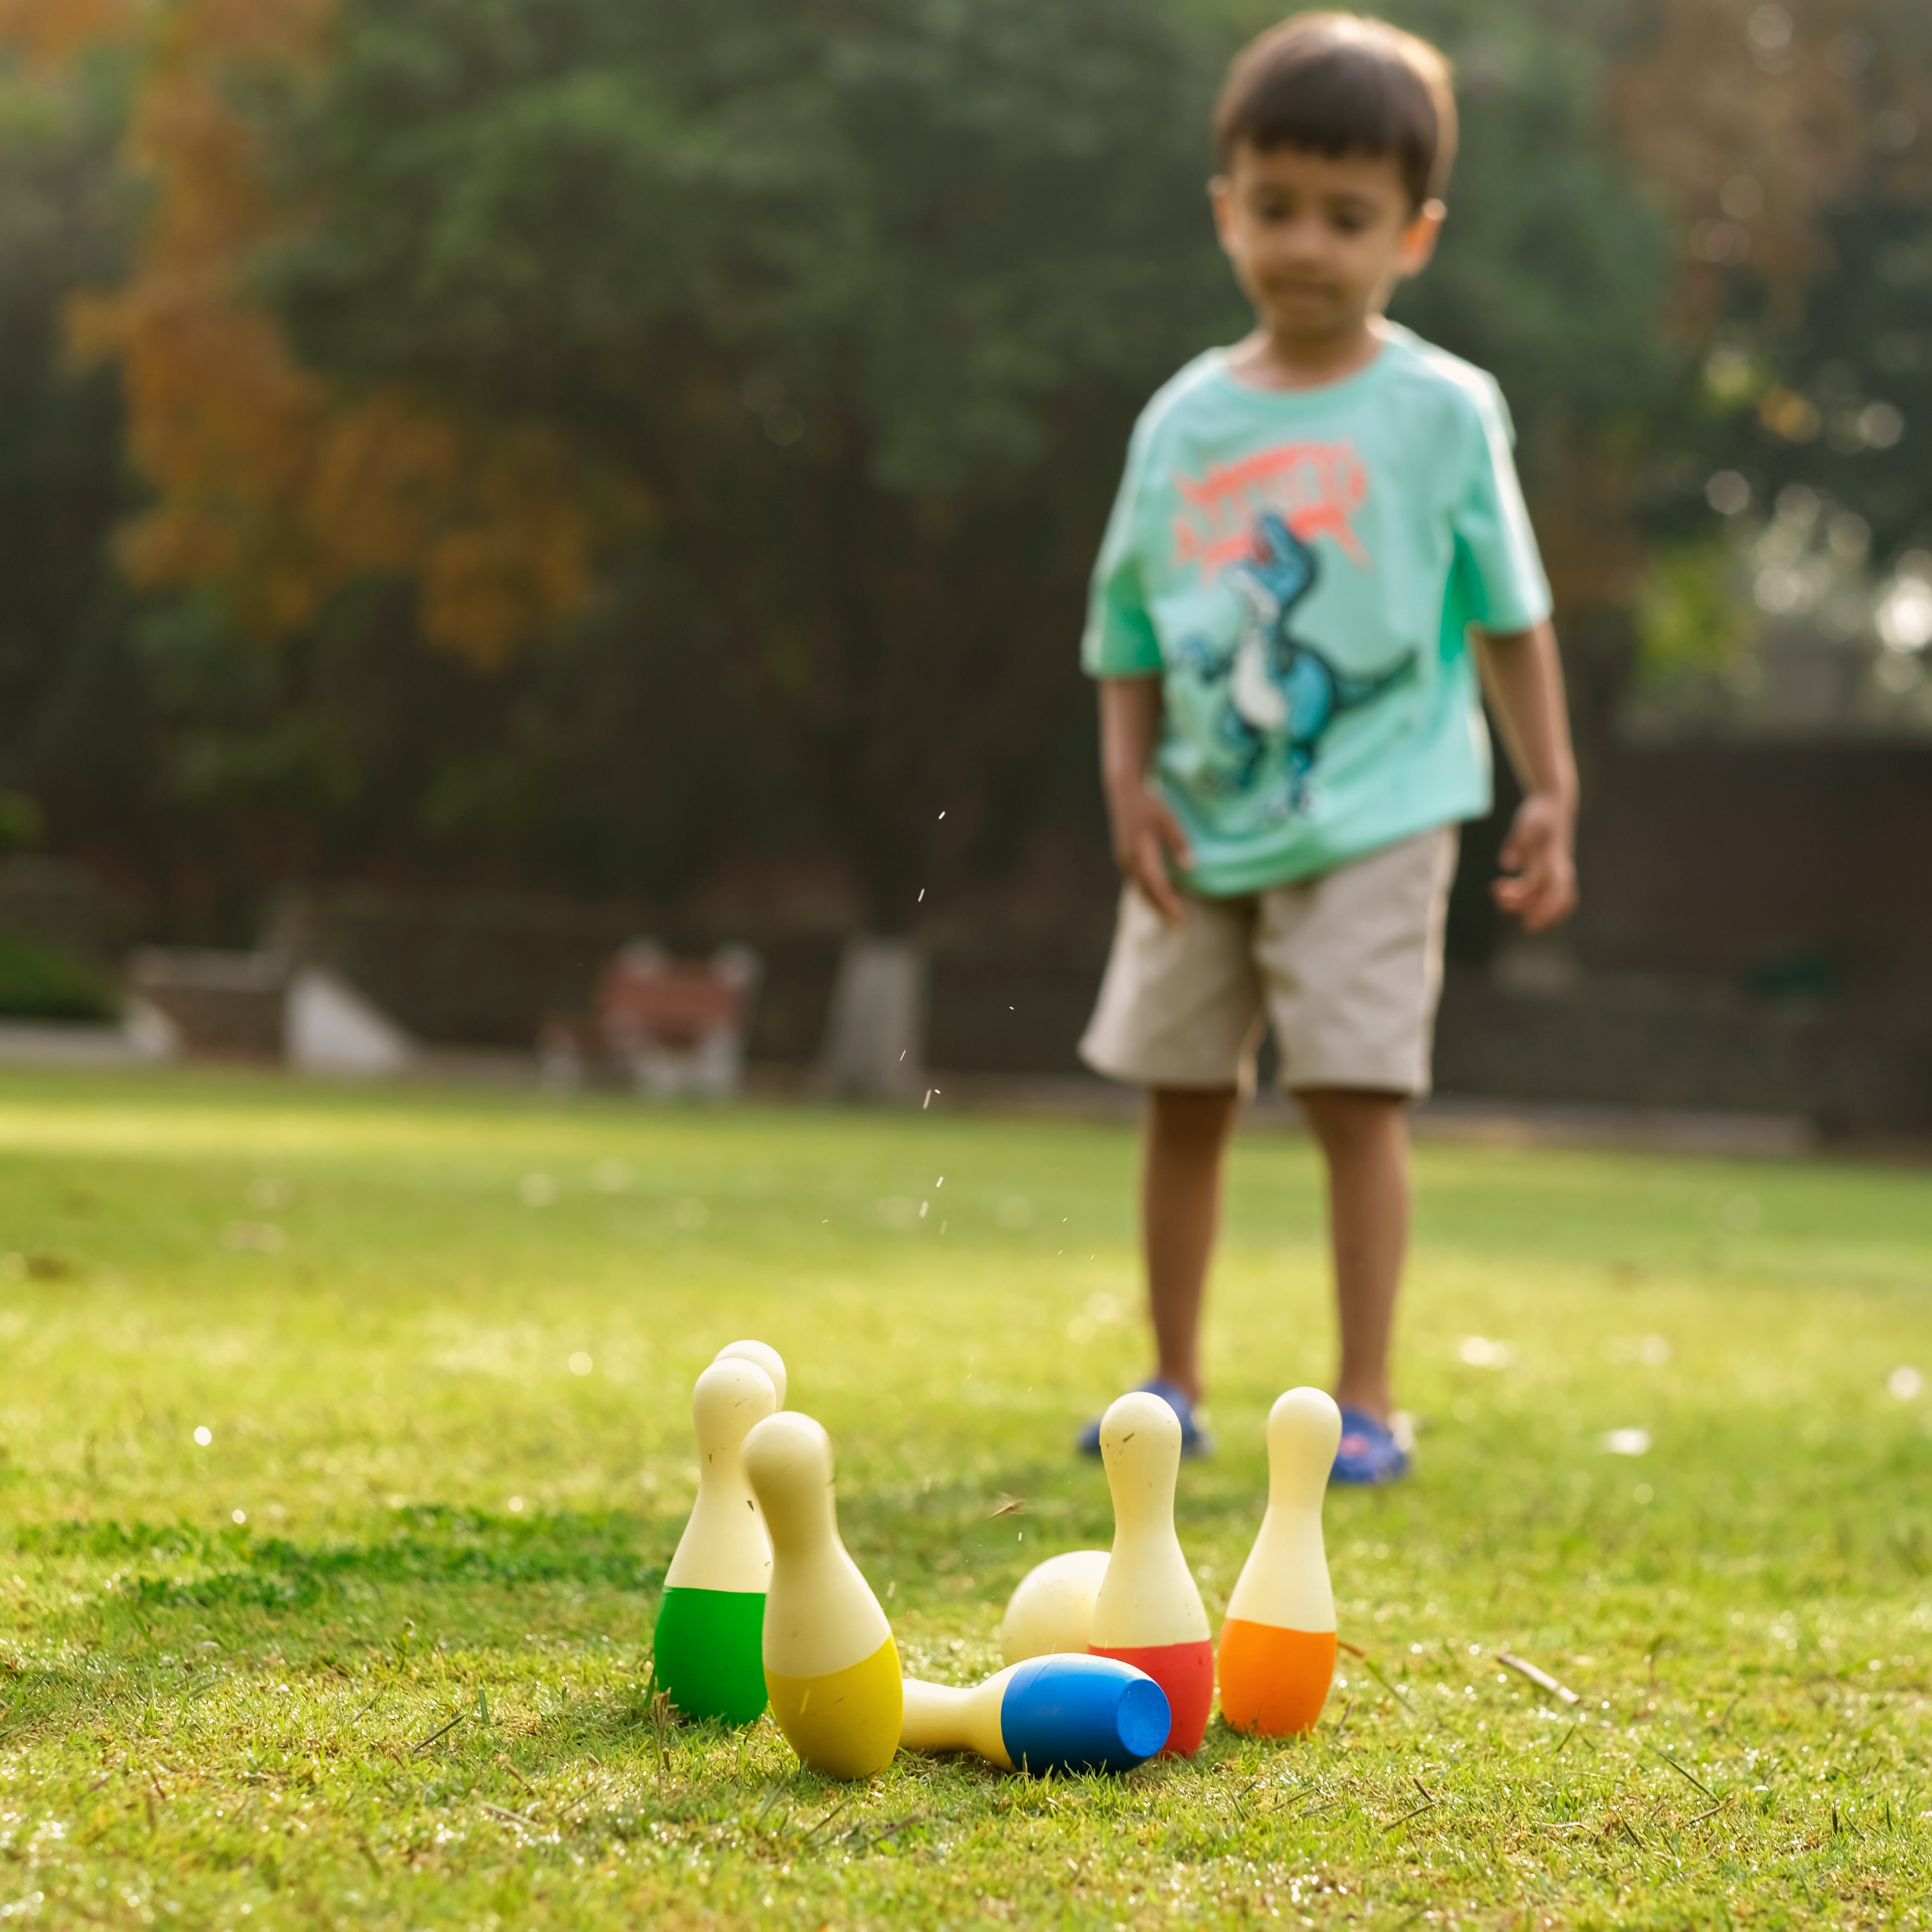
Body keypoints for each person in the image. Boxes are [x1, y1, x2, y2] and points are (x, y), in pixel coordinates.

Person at [1075, 11, 1578, 1482]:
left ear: (1412, 235)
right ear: (1226, 209)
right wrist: (1127, 787)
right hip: (1198, 818)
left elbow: (1512, 615)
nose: (1306, 245)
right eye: (1277, 206)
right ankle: (1172, 1381)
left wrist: (1551, 786)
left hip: (1381, 810)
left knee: (1356, 1097)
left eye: (1347, 218)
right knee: (1183, 1096)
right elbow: (1125, 629)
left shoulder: (1444, 411)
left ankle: (1365, 1398)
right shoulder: (1182, 422)